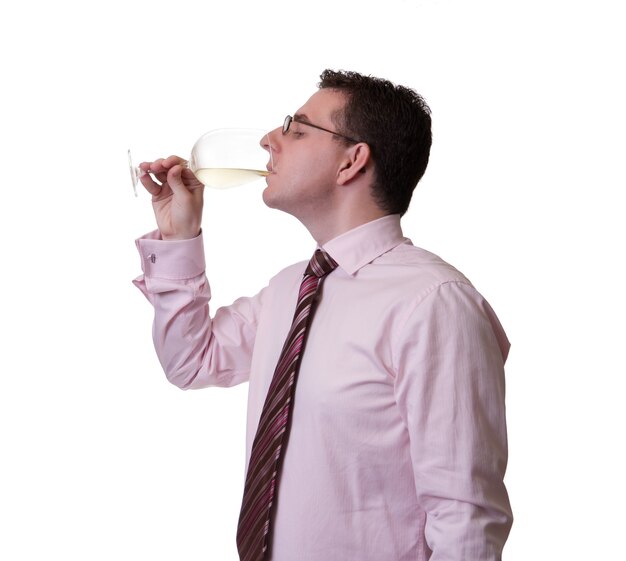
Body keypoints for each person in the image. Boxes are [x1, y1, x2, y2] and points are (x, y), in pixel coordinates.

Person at [133, 69, 513, 561]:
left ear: (352, 161)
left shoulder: (435, 302)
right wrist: (180, 235)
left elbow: (465, 519)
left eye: (296, 128)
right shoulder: (292, 287)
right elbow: (192, 362)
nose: (270, 139)